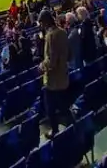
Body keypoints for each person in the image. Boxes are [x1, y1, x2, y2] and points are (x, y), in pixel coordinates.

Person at [39, 9, 69, 138]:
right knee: (63, 105)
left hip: (53, 80)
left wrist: (41, 66)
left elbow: (51, 61)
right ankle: (72, 126)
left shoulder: (51, 36)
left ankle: (55, 130)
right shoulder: (62, 32)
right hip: (64, 75)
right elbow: (69, 53)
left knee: (50, 107)